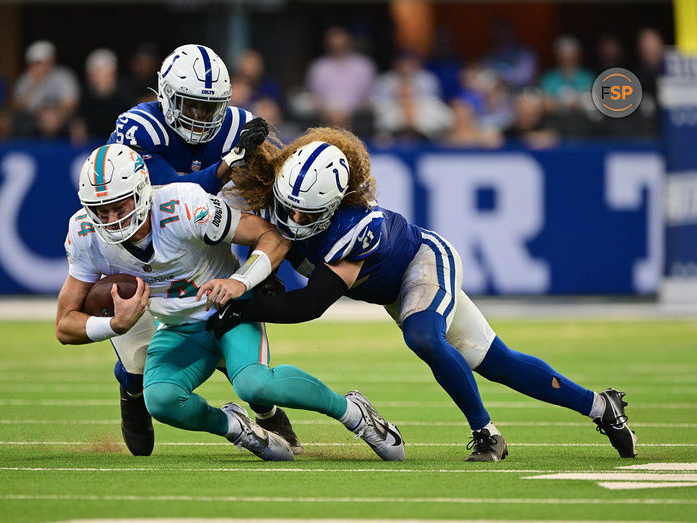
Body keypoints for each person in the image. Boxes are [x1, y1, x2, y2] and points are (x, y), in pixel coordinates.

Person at [201, 127, 638, 462]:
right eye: (288, 205)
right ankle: (601, 406)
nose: (293, 218)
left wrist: (241, 302)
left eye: (306, 212)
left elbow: (309, 305)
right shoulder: (279, 191)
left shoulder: (352, 229)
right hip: (389, 289)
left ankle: (487, 433)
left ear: (332, 205)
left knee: (425, 336)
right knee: (497, 362)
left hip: (422, 264)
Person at [56, 144, 405, 462]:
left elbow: (272, 237)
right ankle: (237, 427)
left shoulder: (184, 206)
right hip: (179, 327)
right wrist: (114, 326)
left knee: (254, 384)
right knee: (160, 400)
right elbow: (64, 324)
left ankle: (354, 413)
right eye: (100, 210)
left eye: (119, 205)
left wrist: (240, 281)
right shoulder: (86, 236)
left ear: (142, 192)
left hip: (228, 312)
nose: (111, 219)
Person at [102, 44, 293, 457]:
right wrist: (228, 164)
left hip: (204, 239)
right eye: (192, 105)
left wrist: (259, 269)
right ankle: (132, 391)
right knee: (138, 354)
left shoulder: (237, 125)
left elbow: (260, 203)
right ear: (166, 96)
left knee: (229, 320)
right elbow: (164, 197)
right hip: (142, 240)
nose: (203, 118)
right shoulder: (140, 127)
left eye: (212, 107)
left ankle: (262, 407)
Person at [11, 40, 79, 137]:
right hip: (34, 118)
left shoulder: (64, 76)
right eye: (36, 63)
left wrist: (56, 115)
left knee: (76, 125)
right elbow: (19, 106)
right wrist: (35, 84)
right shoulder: (25, 79)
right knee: (22, 124)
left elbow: (71, 103)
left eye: (44, 62)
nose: (41, 66)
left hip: (60, 117)